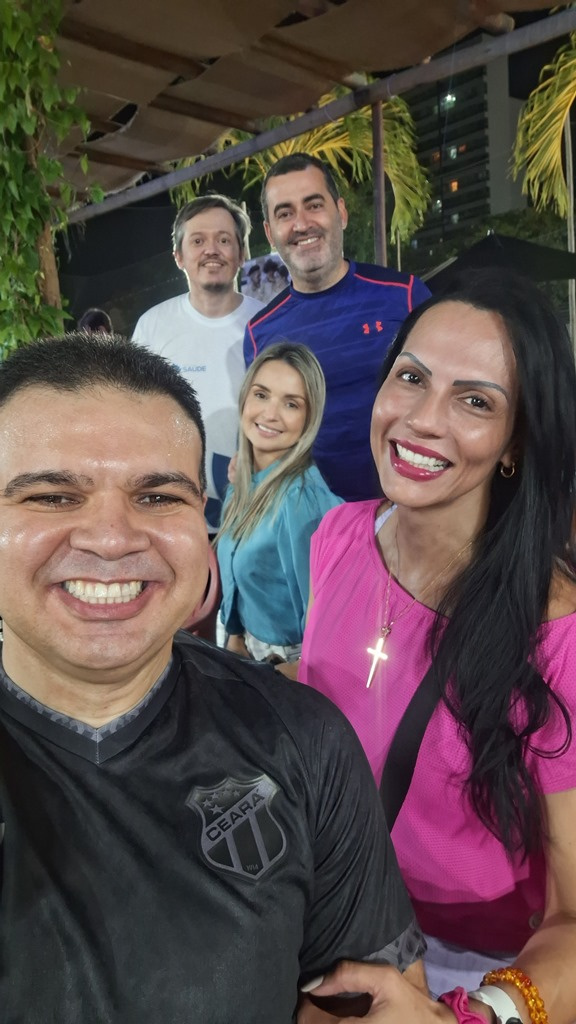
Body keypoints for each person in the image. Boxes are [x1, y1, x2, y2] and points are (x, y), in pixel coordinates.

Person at [0, 332, 426, 1024]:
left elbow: (377, 1002)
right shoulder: (253, 492)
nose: (111, 538)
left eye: (156, 496)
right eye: (51, 496)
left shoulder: (304, 742)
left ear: (198, 508)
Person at [298, 268, 576, 1023]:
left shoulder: (556, 637)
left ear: (517, 441)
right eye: (412, 377)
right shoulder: (336, 537)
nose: (422, 420)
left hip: (477, 967)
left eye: (475, 401)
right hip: (326, 920)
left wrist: (470, 1015)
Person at [243, 153, 430, 502]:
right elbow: (266, 433)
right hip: (310, 519)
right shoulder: (259, 333)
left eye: (314, 205)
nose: (301, 224)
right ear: (270, 232)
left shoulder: (405, 296)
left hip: (406, 508)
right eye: (285, 213)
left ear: (341, 213)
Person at [132, 194, 264, 532]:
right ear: (179, 256)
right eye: (198, 241)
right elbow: (134, 415)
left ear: (242, 253)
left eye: (224, 240)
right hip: (174, 510)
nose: (211, 250)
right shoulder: (153, 327)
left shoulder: (267, 323)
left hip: (256, 509)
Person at [216, 342, 342, 665]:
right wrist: (235, 636)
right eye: (261, 395)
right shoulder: (242, 481)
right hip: (245, 646)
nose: (270, 414)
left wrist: (288, 675)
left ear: (309, 418)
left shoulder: (301, 501)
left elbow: (324, 622)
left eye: (291, 404)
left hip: (285, 662)